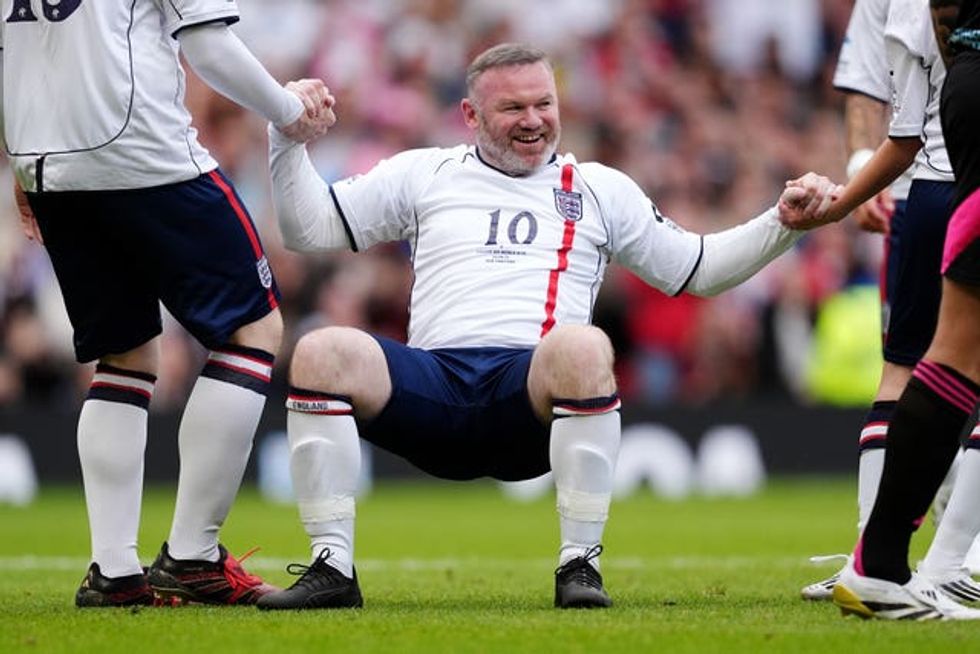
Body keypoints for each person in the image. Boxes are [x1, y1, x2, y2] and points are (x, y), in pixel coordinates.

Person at [255, 42, 838, 610]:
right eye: (513, 107)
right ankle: (332, 567)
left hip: (530, 401)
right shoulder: (426, 172)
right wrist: (286, 137)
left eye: (544, 104)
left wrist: (780, 224)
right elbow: (309, 230)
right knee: (321, 349)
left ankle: (580, 565)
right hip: (435, 390)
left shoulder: (599, 188)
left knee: (582, 346)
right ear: (471, 116)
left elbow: (698, 270)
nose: (533, 120)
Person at [0, 1, 332, 607]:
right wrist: (289, 111)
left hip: (48, 165)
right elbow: (208, 44)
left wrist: (20, 162)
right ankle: (193, 555)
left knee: (125, 353)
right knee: (252, 328)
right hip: (141, 152)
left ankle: (114, 572)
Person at [785, 0, 980, 620]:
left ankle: (877, 559)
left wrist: (842, 201)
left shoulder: (902, 14)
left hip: (924, 192)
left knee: (918, 366)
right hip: (957, 182)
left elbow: (900, 134)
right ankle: (948, 566)